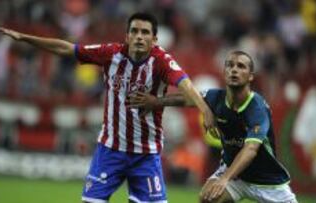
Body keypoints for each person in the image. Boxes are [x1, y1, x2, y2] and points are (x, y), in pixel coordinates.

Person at [0, 12, 214, 203]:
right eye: (134, 31)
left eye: (145, 32)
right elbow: (67, 49)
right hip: (110, 150)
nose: (139, 36)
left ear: (154, 39)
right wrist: (24, 37)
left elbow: (185, 84)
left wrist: (203, 110)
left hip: (146, 154)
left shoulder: (162, 61)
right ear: (127, 36)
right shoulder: (111, 53)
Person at [127, 51, 298, 203]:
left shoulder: (257, 107)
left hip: (268, 181)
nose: (234, 70)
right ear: (224, 72)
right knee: (208, 197)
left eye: (241, 66)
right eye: (230, 65)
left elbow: (251, 149)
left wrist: (224, 178)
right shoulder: (216, 97)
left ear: (251, 76)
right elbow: (187, 99)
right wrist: (156, 101)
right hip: (235, 175)